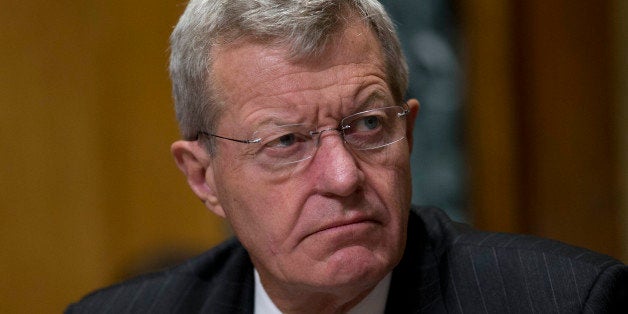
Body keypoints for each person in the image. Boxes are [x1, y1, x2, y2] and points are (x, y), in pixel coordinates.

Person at [66, 0, 627, 313]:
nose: (342, 177)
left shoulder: (565, 303)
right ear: (204, 176)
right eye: (285, 141)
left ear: (407, 134)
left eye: (366, 126)